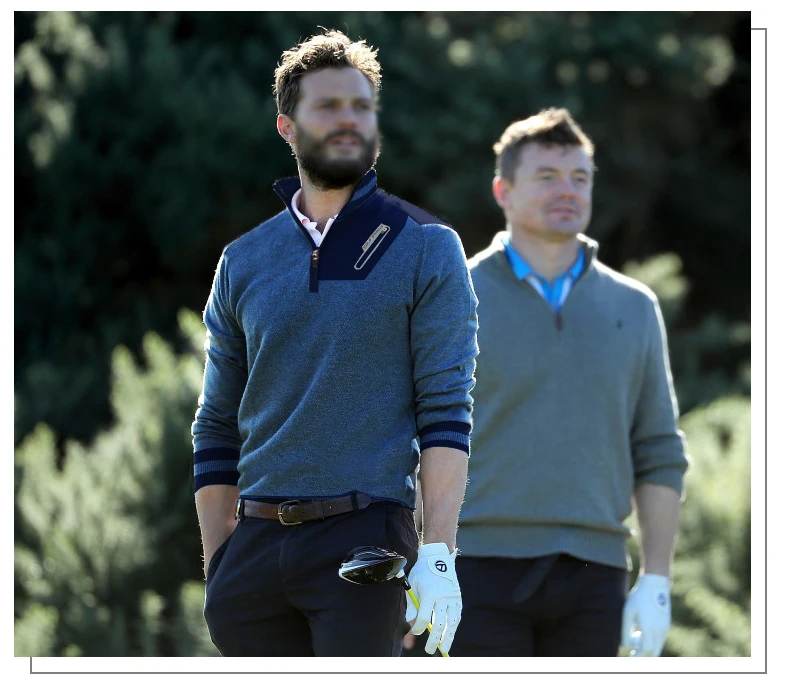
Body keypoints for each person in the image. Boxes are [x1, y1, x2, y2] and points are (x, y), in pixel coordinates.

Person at [191, 29, 477, 657]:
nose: (348, 121)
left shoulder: (427, 246)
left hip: (367, 545)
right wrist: (220, 561)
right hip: (254, 554)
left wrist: (438, 553)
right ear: (287, 128)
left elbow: (445, 411)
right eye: (327, 107)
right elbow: (216, 422)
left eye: (360, 107)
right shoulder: (243, 260)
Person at [447, 107, 690, 657]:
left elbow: (658, 450)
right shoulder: (450, 296)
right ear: (503, 192)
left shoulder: (634, 306)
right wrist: (418, 559)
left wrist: (656, 578)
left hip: (596, 576)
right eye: (547, 176)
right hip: (472, 569)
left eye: (580, 177)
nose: (568, 190)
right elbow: (407, 437)